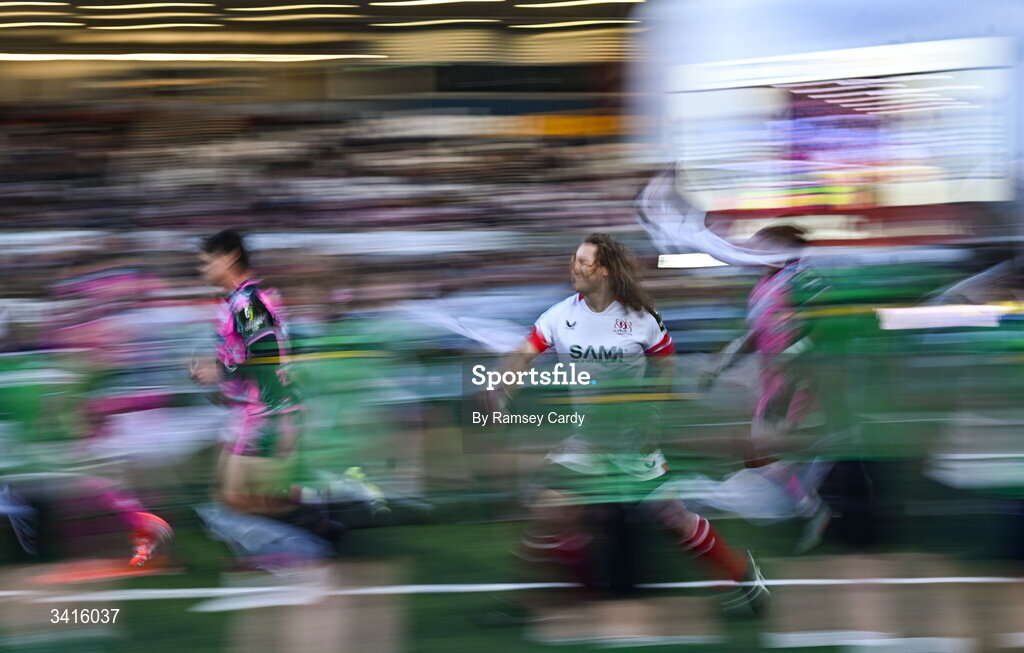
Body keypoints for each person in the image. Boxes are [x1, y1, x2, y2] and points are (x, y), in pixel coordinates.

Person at [486, 233, 769, 618]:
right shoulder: (559, 315)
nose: (575, 266)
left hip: (633, 444)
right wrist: (501, 384)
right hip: (586, 439)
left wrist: (652, 410)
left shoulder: (641, 318)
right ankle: (525, 603)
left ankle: (744, 578)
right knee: (548, 508)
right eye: (575, 259)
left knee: (674, 520)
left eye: (584, 262)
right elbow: (522, 354)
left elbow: (665, 365)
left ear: (604, 270)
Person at [703, 224, 832, 553]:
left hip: (794, 379)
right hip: (771, 380)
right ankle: (810, 503)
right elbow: (753, 336)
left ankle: (812, 510)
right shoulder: (761, 287)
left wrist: (792, 356)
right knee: (761, 453)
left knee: (762, 449)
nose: (753, 251)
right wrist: (722, 364)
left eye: (762, 245)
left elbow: (823, 322)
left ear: (782, 247)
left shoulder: (801, 277)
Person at [192, 229, 304, 518]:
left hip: (268, 413)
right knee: (239, 497)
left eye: (206, 262)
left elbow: (267, 357)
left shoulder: (246, 304)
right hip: (251, 412)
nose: (201, 269)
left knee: (241, 497)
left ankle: (319, 528)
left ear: (229, 258)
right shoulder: (235, 302)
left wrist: (220, 373)